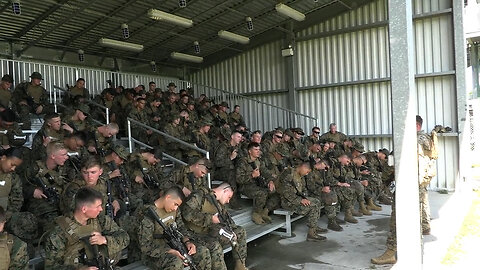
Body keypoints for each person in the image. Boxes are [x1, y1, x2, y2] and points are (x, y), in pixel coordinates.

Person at [44, 187, 130, 269]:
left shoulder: (101, 220)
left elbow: (125, 237)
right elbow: (52, 267)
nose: (101, 209)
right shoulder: (59, 231)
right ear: (84, 209)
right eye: (97, 206)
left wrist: (105, 240)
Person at [137, 186, 212, 270]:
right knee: (176, 262)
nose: (175, 208)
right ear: (168, 197)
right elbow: (145, 246)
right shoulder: (147, 215)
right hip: (155, 252)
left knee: (203, 252)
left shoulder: (175, 211)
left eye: (178, 205)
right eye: (175, 204)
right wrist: (169, 251)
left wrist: (187, 242)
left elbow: (181, 227)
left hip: (175, 245)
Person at [182, 183, 248, 270]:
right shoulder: (200, 195)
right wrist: (209, 219)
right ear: (225, 191)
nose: (228, 201)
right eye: (229, 197)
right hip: (195, 233)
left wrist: (231, 231)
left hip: (210, 231)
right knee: (215, 246)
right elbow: (186, 213)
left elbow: (227, 220)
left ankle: (240, 266)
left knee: (240, 231)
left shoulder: (219, 204)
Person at [277, 160, 327, 241]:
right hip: (288, 202)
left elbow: (303, 190)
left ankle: (313, 227)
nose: (307, 174)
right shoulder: (288, 174)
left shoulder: (300, 176)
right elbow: (285, 192)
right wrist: (300, 200)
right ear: (303, 167)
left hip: (296, 199)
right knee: (314, 206)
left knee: (316, 201)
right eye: (307, 171)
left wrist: (305, 198)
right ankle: (311, 234)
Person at [236, 142, 279, 225]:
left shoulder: (258, 161)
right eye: (255, 149)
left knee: (275, 192)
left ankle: (265, 211)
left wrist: (270, 181)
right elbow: (239, 179)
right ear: (249, 151)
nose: (258, 151)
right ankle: (256, 214)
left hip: (257, 185)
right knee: (261, 193)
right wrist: (252, 175)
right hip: (245, 186)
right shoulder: (242, 162)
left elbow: (266, 173)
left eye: (259, 150)